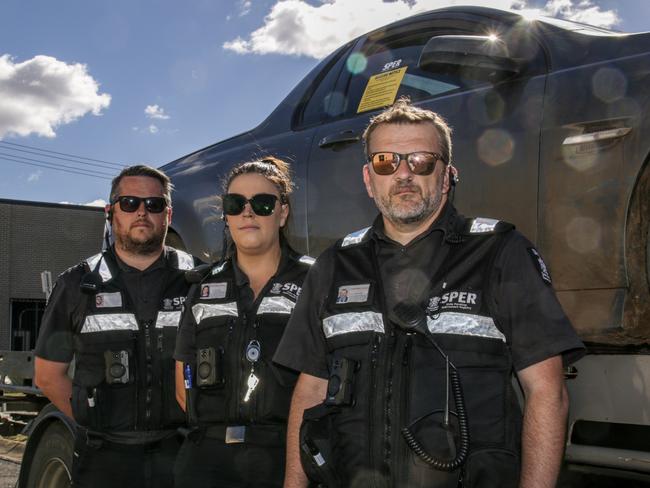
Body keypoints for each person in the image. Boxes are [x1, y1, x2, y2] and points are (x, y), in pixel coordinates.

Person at [274, 98, 585, 488]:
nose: (404, 173)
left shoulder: (500, 252)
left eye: (421, 160)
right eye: (386, 161)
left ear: (448, 175)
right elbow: (310, 390)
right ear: (369, 179)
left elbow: (547, 391)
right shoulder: (334, 264)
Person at [34, 165, 199, 488]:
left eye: (153, 205)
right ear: (110, 213)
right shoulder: (78, 284)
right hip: (103, 461)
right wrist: (93, 424)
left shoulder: (197, 280)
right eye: (129, 203)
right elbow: (47, 375)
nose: (142, 212)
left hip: (182, 454)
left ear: (168, 214)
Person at [173, 157, 314, 488]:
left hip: (285, 460)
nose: (247, 213)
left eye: (262, 203)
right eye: (235, 204)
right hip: (205, 462)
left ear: (282, 213)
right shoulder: (202, 287)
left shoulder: (315, 281)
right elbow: (183, 384)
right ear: (226, 215)